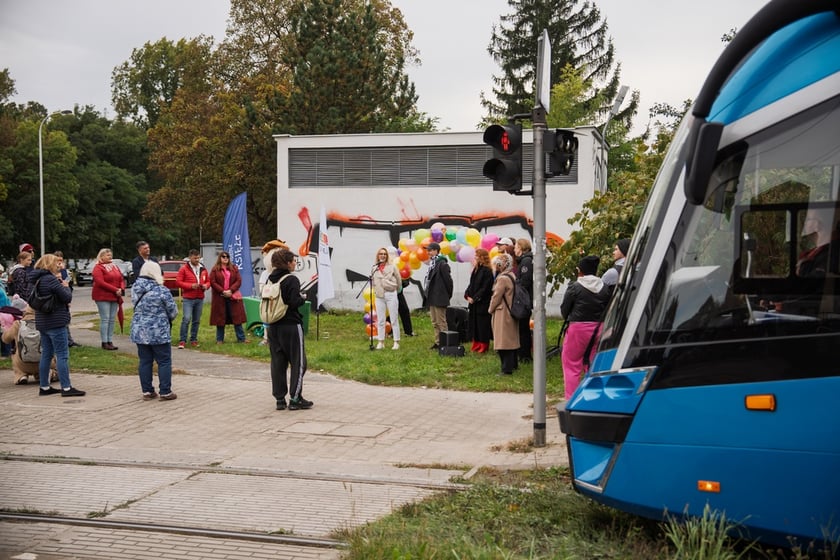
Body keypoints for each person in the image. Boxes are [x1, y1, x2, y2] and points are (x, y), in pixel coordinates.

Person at [30, 253, 85, 397]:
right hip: (56, 321)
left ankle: (44, 386)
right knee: (62, 354)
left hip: (43, 321)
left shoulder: (37, 280)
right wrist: (66, 286)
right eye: (56, 263)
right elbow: (66, 297)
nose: (59, 266)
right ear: (49, 265)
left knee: (46, 354)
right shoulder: (51, 280)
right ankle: (66, 388)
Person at [265, 249, 313, 410]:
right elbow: (293, 302)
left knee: (278, 363)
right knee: (299, 362)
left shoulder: (270, 279)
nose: (295, 263)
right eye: (293, 261)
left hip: (273, 325)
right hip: (291, 325)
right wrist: (302, 298)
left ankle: (279, 399)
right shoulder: (291, 279)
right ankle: (295, 397)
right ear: (286, 263)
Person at [560, 255, 610, 399]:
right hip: (599, 328)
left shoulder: (575, 287)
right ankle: (594, 397)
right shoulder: (604, 287)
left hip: (578, 328)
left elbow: (565, 309)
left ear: (580, 271)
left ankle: (573, 398)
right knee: (593, 362)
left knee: (571, 364)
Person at [130, 261, 179, 400]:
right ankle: (165, 391)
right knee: (163, 361)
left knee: (145, 361)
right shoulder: (161, 290)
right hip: (158, 331)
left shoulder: (135, 287)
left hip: (140, 330)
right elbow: (173, 311)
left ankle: (147, 391)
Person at [2, 304, 58, 385]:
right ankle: (46, 373)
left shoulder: (18, 324)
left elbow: (5, 339)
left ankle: (21, 375)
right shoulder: (46, 323)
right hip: (45, 361)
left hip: (23, 363)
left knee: (15, 354)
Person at [488, 253, 519, 374]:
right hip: (510, 311)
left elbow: (496, 296)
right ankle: (513, 365)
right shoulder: (512, 275)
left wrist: (490, 309)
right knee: (511, 340)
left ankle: (506, 369)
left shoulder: (502, 279)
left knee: (503, 342)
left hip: (502, 312)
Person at [209, 251, 249, 344]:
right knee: (220, 318)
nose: (225, 258)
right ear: (220, 258)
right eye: (223, 256)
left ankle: (241, 338)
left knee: (237, 318)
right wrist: (222, 291)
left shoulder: (234, 268)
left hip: (232, 296)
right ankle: (219, 339)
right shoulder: (215, 269)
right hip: (220, 297)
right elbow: (213, 282)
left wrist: (231, 290)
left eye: (227, 256)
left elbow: (238, 280)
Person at [91, 248, 125, 350]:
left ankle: (110, 340)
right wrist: (115, 289)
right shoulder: (98, 268)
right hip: (103, 296)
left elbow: (121, 278)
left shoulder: (114, 266)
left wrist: (121, 288)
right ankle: (104, 341)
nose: (110, 257)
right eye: (107, 255)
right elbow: (100, 282)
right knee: (105, 318)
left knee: (111, 319)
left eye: (110, 255)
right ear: (101, 257)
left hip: (114, 296)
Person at [176, 250, 210, 349]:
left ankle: (193, 339)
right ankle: (182, 340)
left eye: (198, 258)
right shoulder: (184, 269)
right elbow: (178, 282)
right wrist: (190, 286)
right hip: (188, 298)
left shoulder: (202, 268)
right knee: (186, 318)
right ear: (190, 257)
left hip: (199, 297)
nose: (197, 260)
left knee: (196, 320)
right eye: (195, 258)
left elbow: (208, 281)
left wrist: (206, 286)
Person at [424, 242, 453, 350]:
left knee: (441, 321)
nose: (428, 253)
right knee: (434, 321)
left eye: (430, 250)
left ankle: (446, 343)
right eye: (428, 250)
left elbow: (448, 282)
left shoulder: (442, 264)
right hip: (432, 296)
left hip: (440, 297)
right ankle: (438, 342)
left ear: (436, 250)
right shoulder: (432, 264)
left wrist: (447, 295)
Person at [464, 248, 493, 353]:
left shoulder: (487, 271)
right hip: (473, 303)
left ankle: (484, 344)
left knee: (482, 324)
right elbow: (471, 285)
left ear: (482, 258)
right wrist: (467, 295)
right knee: (474, 323)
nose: (475, 258)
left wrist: (475, 298)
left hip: (482, 303)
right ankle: (476, 342)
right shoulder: (476, 269)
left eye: (477, 256)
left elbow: (485, 288)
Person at [372, 247, 401, 350]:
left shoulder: (392, 267)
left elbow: (398, 279)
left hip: (390, 294)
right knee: (380, 320)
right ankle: (381, 341)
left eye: (384, 254)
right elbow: (373, 281)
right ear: (378, 255)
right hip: (379, 296)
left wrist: (395, 290)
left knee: (393, 318)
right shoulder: (374, 267)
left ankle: (396, 341)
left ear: (387, 256)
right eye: (381, 254)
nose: (383, 256)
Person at [54, 251, 80, 347]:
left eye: (61, 260)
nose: (60, 262)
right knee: (62, 321)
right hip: (59, 298)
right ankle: (66, 341)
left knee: (66, 320)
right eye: (58, 260)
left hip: (66, 295)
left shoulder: (64, 270)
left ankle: (69, 340)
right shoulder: (52, 271)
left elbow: (68, 282)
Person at [514, 238, 534, 362]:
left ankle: (525, 355)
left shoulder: (526, 261)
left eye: (516, 247)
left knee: (523, 328)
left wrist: (515, 284)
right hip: (524, 298)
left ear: (521, 248)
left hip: (524, 299)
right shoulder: (524, 260)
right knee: (522, 327)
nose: (515, 249)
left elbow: (525, 281)